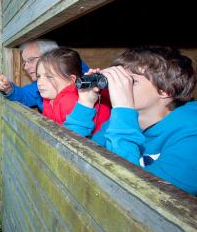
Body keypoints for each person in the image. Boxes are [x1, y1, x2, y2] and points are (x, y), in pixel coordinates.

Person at [63, 46, 197, 195]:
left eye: (131, 81)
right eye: (120, 79)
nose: (120, 85)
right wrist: (85, 104)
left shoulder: (191, 137)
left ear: (166, 90)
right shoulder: (118, 123)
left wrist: (123, 109)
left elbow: (138, 196)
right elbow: (65, 155)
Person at [0, 40, 88, 111]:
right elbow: (24, 95)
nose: (25, 67)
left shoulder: (87, 87)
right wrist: (7, 87)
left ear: (51, 56)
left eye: (31, 60)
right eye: (24, 62)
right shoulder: (40, 85)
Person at [36, 48, 110, 133]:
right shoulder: (48, 99)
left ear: (71, 80)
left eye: (49, 77)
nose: (40, 82)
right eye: (38, 76)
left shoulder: (70, 101)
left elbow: (73, 138)